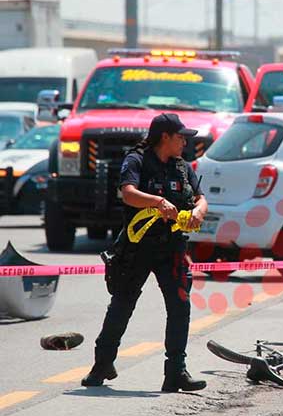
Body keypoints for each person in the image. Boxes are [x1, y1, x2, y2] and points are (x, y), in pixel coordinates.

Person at [82, 113, 208, 392]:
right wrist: (158, 202)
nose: (185, 141)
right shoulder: (136, 160)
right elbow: (128, 193)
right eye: (180, 136)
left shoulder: (183, 167)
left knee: (180, 306)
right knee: (122, 304)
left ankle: (175, 372)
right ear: (165, 137)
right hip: (138, 246)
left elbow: (201, 197)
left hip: (173, 247)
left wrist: (198, 211)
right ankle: (102, 365)